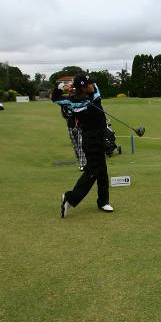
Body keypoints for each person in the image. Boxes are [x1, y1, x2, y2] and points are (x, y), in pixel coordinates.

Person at [52, 74, 113, 218]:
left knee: (102, 171)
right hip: (90, 140)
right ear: (84, 88)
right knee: (92, 171)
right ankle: (70, 198)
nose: (93, 85)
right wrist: (62, 86)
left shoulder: (96, 94)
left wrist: (75, 86)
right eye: (89, 84)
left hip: (100, 138)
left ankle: (103, 201)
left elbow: (95, 86)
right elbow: (55, 99)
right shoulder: (72, 101)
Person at [58, 86, 87, 171]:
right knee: (76, 146)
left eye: (74, 92)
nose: (72, 94)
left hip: (80, 126)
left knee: (81, 144)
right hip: (70, 126)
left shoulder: (79, 101)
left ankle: (83, 164)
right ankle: (81, 161)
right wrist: (61, 87)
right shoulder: (64, 102)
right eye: (71, 92)